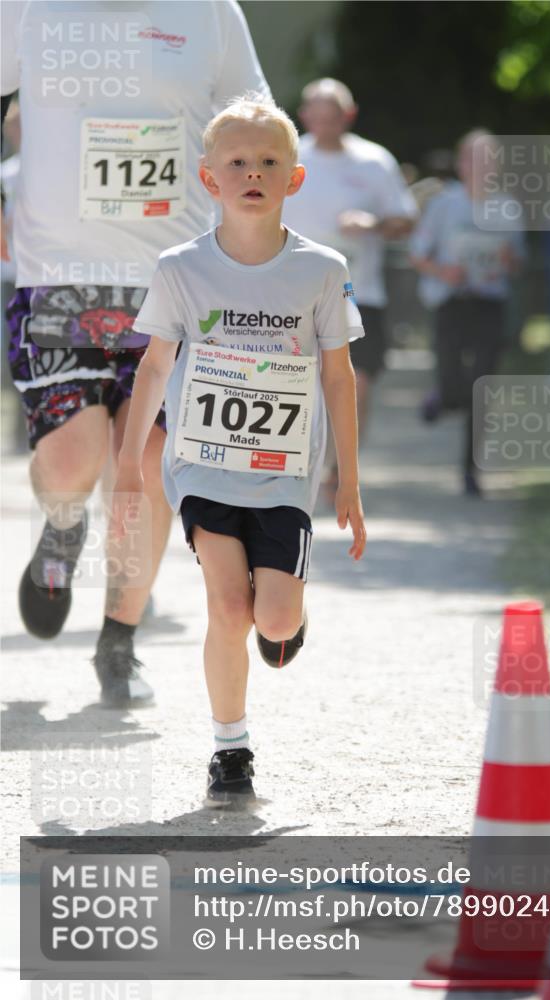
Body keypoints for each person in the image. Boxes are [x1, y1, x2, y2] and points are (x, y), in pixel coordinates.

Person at [0, 0, 270, 708]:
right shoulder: (26, 8)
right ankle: (61, 530)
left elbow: (253, 115)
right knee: (70, 461)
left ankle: (118, 643)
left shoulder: (209, 11)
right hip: (58, 270)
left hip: (172, 276)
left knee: (144, 464)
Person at [111, 95, 367, 805]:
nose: (252, 173)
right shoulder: (181, 267)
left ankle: (290, 608)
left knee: (275, 620)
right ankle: (231, 748)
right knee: (228, 608)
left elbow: (338, 376)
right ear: (208, 179)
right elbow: (155, 366)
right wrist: (133, 463)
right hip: (201, 464)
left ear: (295, 178)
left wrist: (347, 481)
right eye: (237, 163)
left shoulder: (321, 269)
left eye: (268, 162)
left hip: (284, 474)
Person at [282, 77, 417, 460]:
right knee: (299, 386)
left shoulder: (374, 161)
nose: (325, 125)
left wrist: (372, 224)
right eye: (318, 117)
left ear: (349, 115)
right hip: (295, 294)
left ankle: (342, 466)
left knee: (357, 385)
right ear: (304, 116)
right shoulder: (287, 159)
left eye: (334, 117)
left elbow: (406, 220)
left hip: (359, 293)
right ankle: (303, 464)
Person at [409, 129, 525, 497]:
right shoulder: (445, 204)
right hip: (450, 301)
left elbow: (519, 262)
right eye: (473, 159)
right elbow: (418, 253)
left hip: (489, 303)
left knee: (481, 387)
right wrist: (445, 271)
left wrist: (508, 261)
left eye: (488, 159)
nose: (480, 167)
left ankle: (470, 470)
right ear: (461, 164)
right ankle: (441, 398)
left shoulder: (508, 208)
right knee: (453, 382)